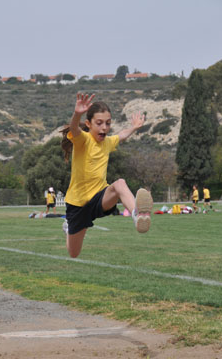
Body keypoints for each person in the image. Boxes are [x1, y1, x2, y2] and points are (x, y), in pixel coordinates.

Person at [60, 93, 153, 258]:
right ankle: (69, 227)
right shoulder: (83, 140)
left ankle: (137, 215)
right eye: (99, 123)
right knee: (73, 253)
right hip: (78, 204)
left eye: (108, 123)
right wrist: (77, 114)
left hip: (99, 197)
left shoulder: (108, 142)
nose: (104, 127)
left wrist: (134, 127)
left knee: (119, 184)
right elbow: (74, 129)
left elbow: (122, 135)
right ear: (88, 124)